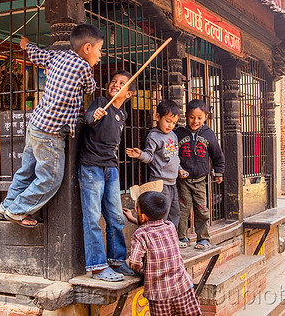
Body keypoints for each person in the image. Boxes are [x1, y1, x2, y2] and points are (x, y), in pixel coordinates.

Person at [0, 24, 103, 227]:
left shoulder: (57, 57)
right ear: (87, 48)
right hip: (51, 133)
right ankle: (16, 210)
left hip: (36, 125)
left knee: (26, 171)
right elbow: (91, 88)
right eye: (99, 51)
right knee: (50, 179)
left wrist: (26, 45)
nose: (99, 56)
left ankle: (6, 205)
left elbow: (36, 55)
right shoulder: (83, 68)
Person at [78, 70, 137, 281]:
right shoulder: (102, 102)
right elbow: (87, 119)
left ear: (128, 94)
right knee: (93, 218)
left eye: (122, 84)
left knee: (116, 217)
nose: (115, 84)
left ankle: (117, 261)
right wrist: (94, 116)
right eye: (113, 81)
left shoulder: (123, 114)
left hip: (110, 168)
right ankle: (97, 267)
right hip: (91, 167)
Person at [128, 191, 201, 316]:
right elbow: (154, 227)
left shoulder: (140, 235)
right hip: (182, 287)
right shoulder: (170, 226)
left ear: (143, 216)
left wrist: (138, 270)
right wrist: (136, 220)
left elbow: (135, 263)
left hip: (159, 295)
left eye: (137, 210)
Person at [126, 100, 184, 228]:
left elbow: (175, 157)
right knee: (161, 213)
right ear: (157, 117)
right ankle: (158, 237)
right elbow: (149, 157)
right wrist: (140, 154)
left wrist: (180, 169)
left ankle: (170, 236)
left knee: (175, 212)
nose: (170, 125)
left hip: (173, 182)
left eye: (174, 123)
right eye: (168, 121)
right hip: (160, 183)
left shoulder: (173, 135)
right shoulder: (153, 136)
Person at [175, 99, 224, 249]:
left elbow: (217, 154)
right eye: (191, 117)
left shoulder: (209, 134)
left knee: (202, 209)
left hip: (200, 180)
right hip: (183, 179)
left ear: (206, 117)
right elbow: (172, 154)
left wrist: (219, 172)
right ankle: (181, 237)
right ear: (186, 115)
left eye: (199, 117)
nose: (195, 121)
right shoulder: (178, 133)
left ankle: (203, 238)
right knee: (182, 209)